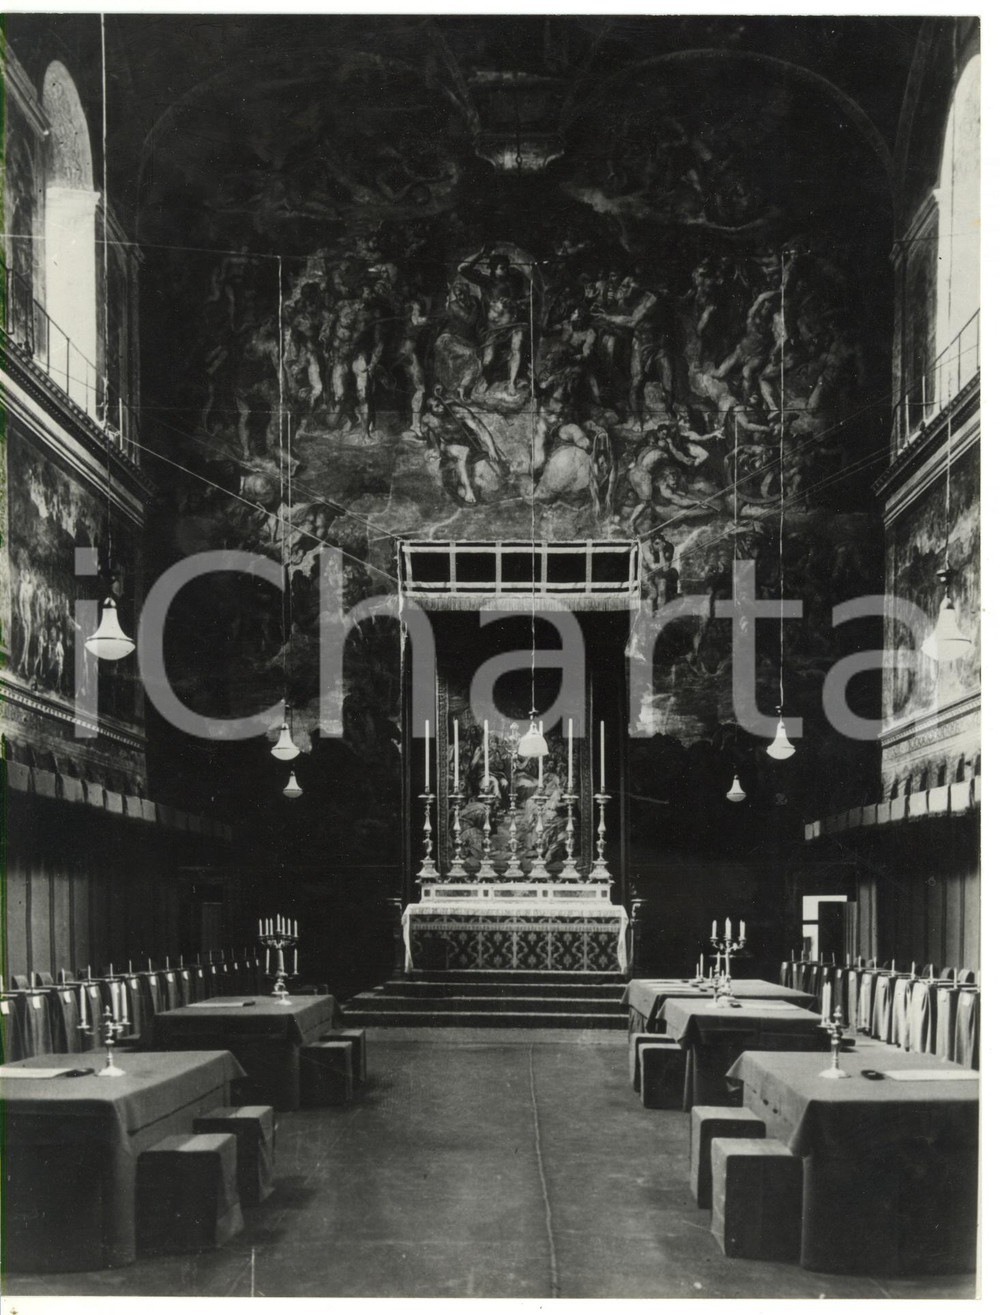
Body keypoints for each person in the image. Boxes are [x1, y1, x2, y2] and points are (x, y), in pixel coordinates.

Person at [457, 246, 529, 390]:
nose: (506, 271)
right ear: (493, 269)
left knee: (517, 349)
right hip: (494, 328)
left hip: (515, 324)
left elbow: (533, 297)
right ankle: (481, 381)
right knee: (488, 360)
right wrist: (480, 254)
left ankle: (512, 383)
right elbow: (462, 269)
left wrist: (516, 302)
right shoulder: (486, 282)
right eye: (502, 268)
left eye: (507, 267)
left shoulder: (515, 281)